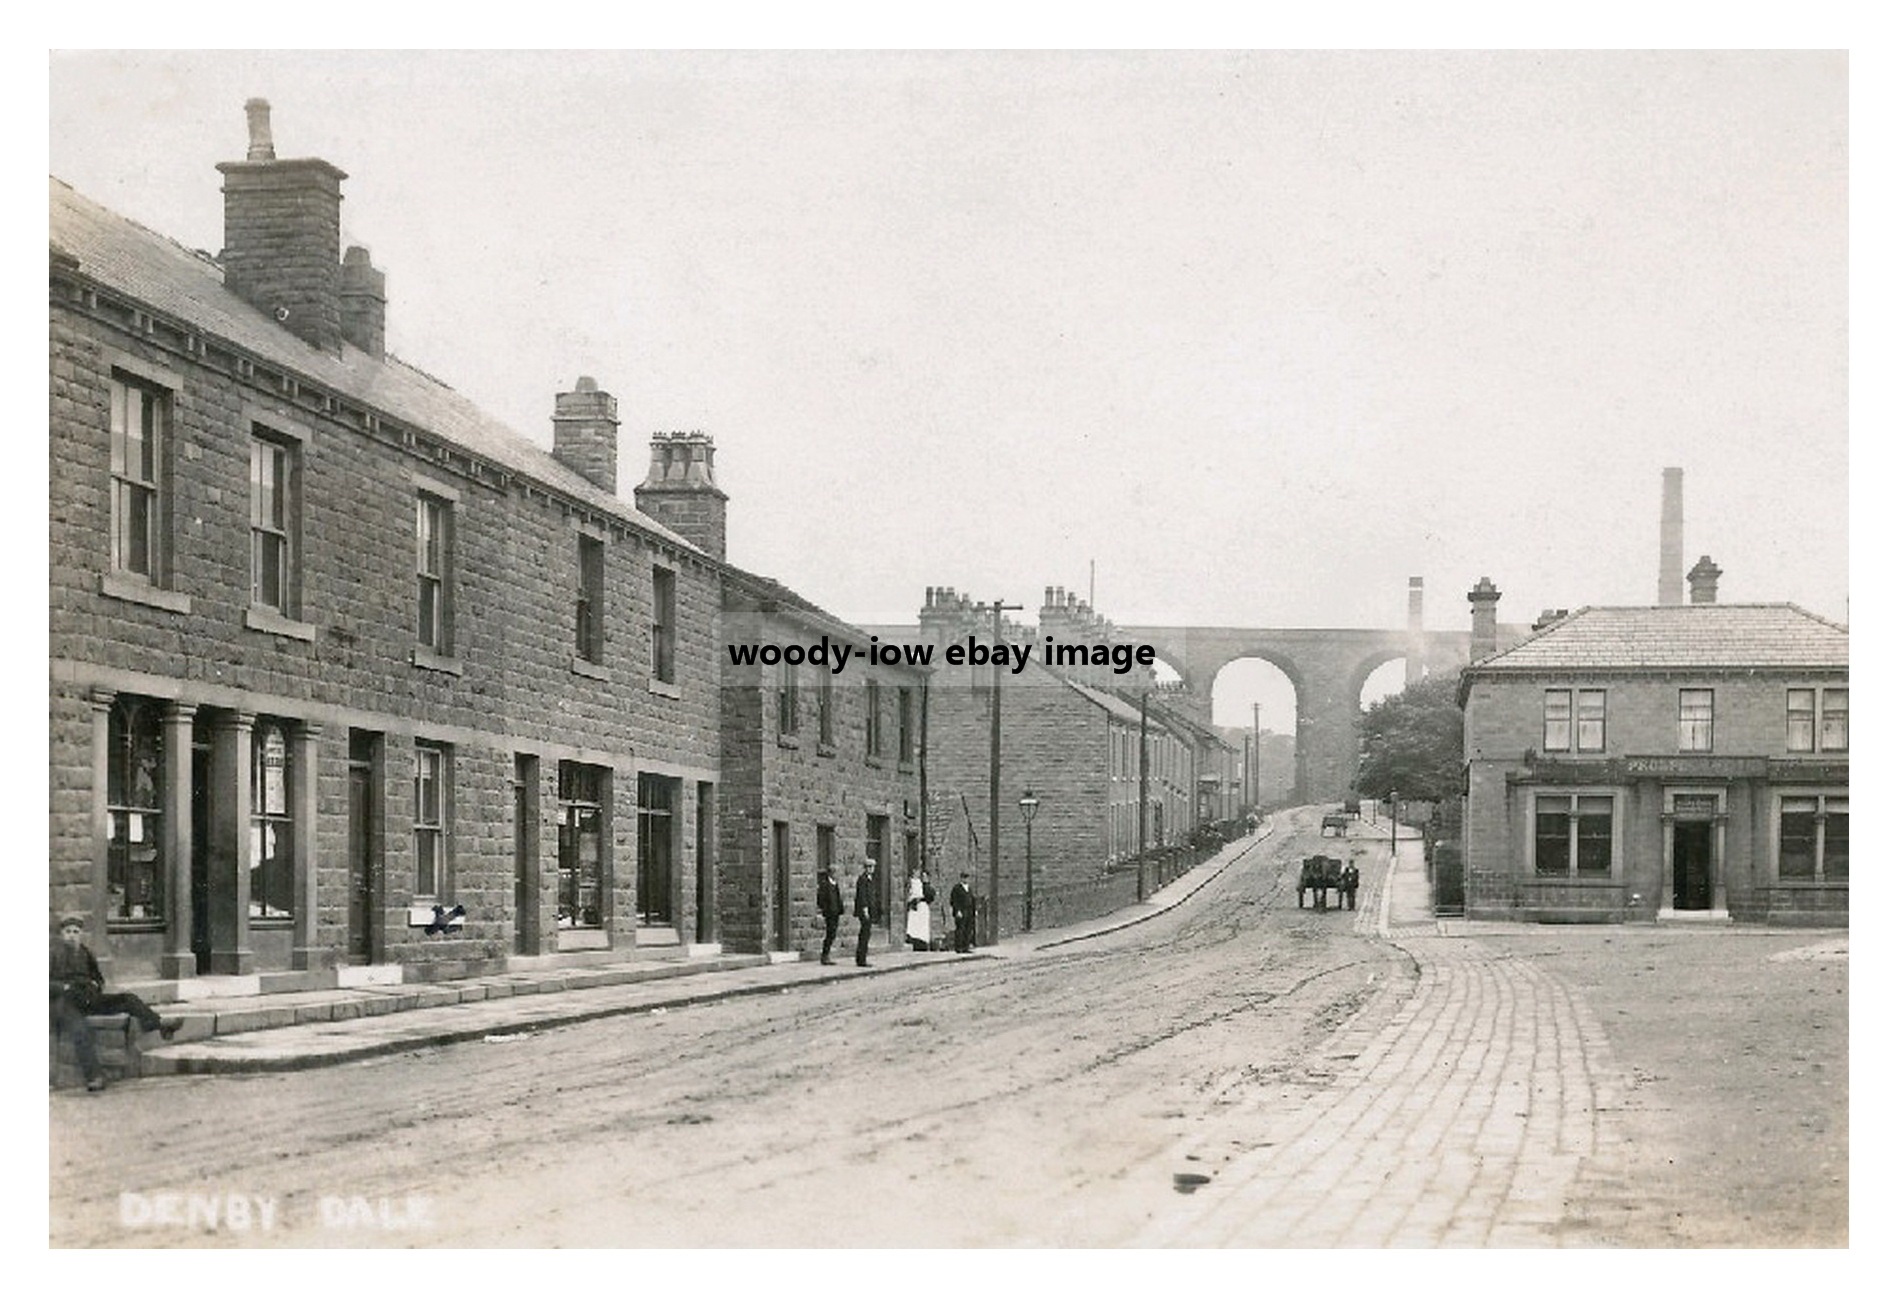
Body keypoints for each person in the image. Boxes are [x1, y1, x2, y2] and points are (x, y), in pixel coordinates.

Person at [49, 914, 181, 1092]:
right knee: (81, 1030)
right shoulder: (52, 954)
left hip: (88, 999)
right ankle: (94, 1076)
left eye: (76, 931)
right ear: (61, 934)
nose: (72, 935)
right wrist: (62, 987)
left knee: (128, 998)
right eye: (68, 932)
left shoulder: (86, 953)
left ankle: (159, 1023)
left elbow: (98, 978)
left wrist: (96, 984)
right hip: (65, 1003)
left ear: (81, 934)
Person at [816, 865, 845, 965]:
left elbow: (838, 898)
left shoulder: (835, 884)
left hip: (835, 912)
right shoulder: (825, 884)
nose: (837, 875)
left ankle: (826, 955)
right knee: (830, 934)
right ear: (832, 873)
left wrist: (840, 909)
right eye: (836, 873)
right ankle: (825, 956)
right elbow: (820, 899)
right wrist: (825, 909)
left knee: (832, 933)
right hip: (830, 913)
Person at [853, 859, 877, 967]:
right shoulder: (862, 879)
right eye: (869, 867)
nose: (871, 869)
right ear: (865, 868)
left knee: (866, 933)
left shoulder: (870, 879)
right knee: (864, 934)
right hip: (864, 911)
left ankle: (862, 957)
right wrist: (865, 909)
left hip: (870, 910)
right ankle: (861, 959)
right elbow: (862, 896)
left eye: (872, 867)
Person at [905, 869, 933, 952]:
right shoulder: (914, 883)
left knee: (922, 926)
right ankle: (915, 941)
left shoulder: (924, 885)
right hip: (915, 907)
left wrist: (922, 898)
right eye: (922, 876)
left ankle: (923, 943)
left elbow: (929, 896)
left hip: (922, 907)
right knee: (914, 925)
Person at [949, 872, 976, 953]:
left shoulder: (969, 888)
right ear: (961, 878)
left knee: (968, 929)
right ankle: (959, 947)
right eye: (964, 878)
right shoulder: (957, 888)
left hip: (969, 911)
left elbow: (972, 900)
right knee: (960, 929)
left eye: (967, 878)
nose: (966, 879)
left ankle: (966, 947)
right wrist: (957, 911)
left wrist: (974, 910)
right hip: (961, 911)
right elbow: (954, 901)